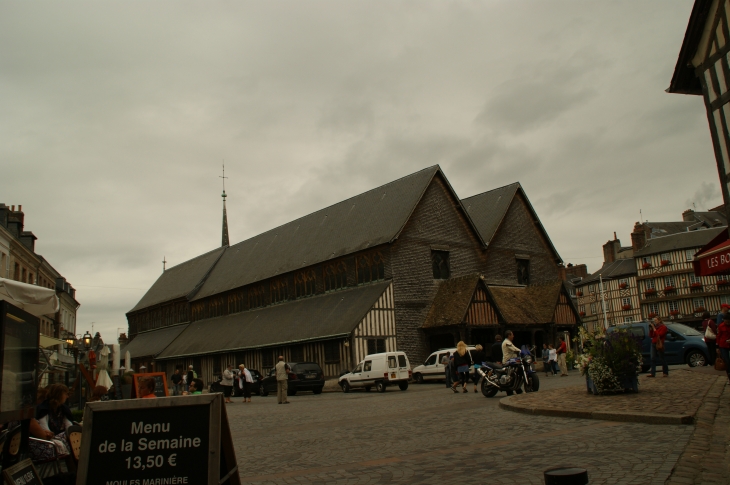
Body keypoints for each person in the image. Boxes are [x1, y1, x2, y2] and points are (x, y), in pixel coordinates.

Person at [716, 314, 730, 383]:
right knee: (727, 362)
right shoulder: (721, 326)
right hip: (723, 345)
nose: (727, 323)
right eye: (726, 322)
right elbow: (718, 336)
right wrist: (717, 347)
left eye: (728, 322)